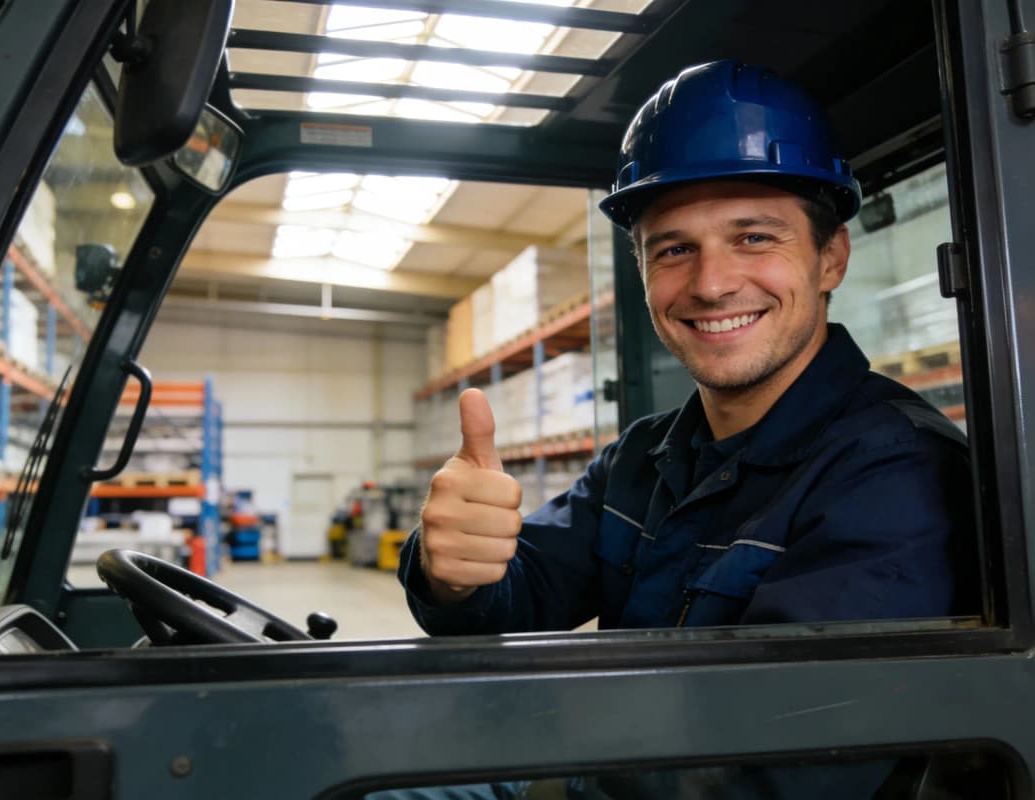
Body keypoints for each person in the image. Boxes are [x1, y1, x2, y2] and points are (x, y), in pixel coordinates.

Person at [382, 60, 979, 798]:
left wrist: (546, 782)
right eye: (673, 248)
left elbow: (783, 766)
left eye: (754, 237)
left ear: (831, 258)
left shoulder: (893, 474)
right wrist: (453, 571)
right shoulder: (646, 456)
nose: (710, 282)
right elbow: (517, 596)